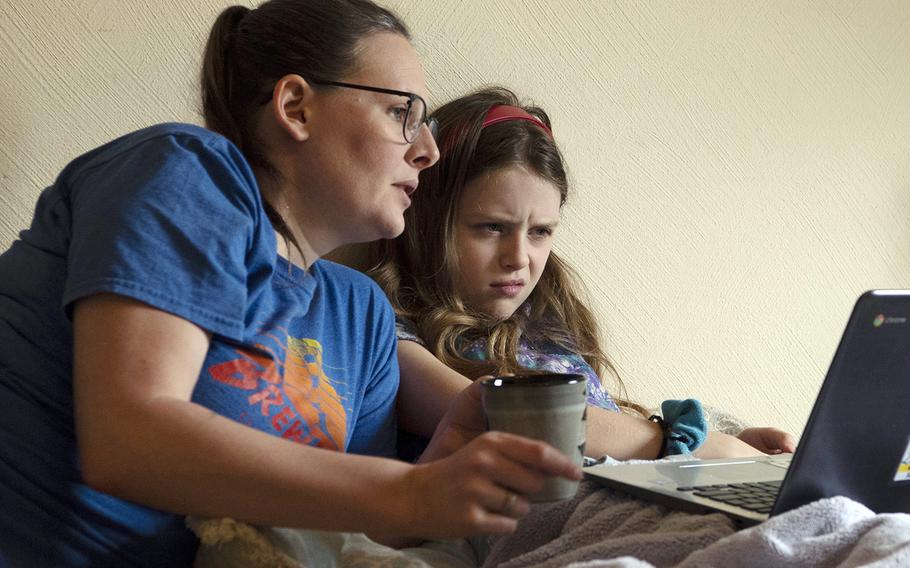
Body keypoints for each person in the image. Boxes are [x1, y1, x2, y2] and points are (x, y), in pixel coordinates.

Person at [0, 6, 581, 566]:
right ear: (297, 107)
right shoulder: (186, 173)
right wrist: (408, 489)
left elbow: (346, 530)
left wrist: (442, 462)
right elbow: (127, 440)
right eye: (402, 112)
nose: (426, 150)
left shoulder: (361, 313)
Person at [369, 87, 797, 461]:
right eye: (492, 227)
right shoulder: (384, 330)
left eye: (540, 232)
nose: (518, 258)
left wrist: (732, 449)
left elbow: (605, 429)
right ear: (429, 220)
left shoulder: (546, 324)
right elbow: (512, 419)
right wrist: (691, 444)